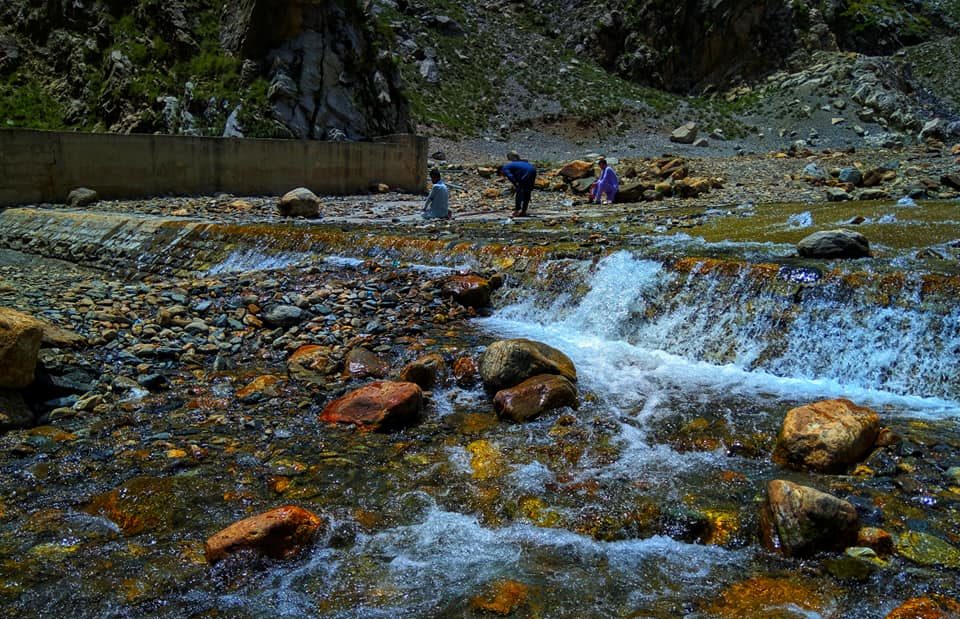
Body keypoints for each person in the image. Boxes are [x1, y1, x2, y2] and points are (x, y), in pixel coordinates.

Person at [499, 151, 537, 217]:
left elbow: (510, 176)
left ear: (500, 171)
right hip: (533, 170)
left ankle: (517, 211)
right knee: (527, 191)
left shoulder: (505, 167)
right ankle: (524, 211)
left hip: (526, 172)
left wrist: (516, 184)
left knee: (519, 191)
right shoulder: (515, 164)